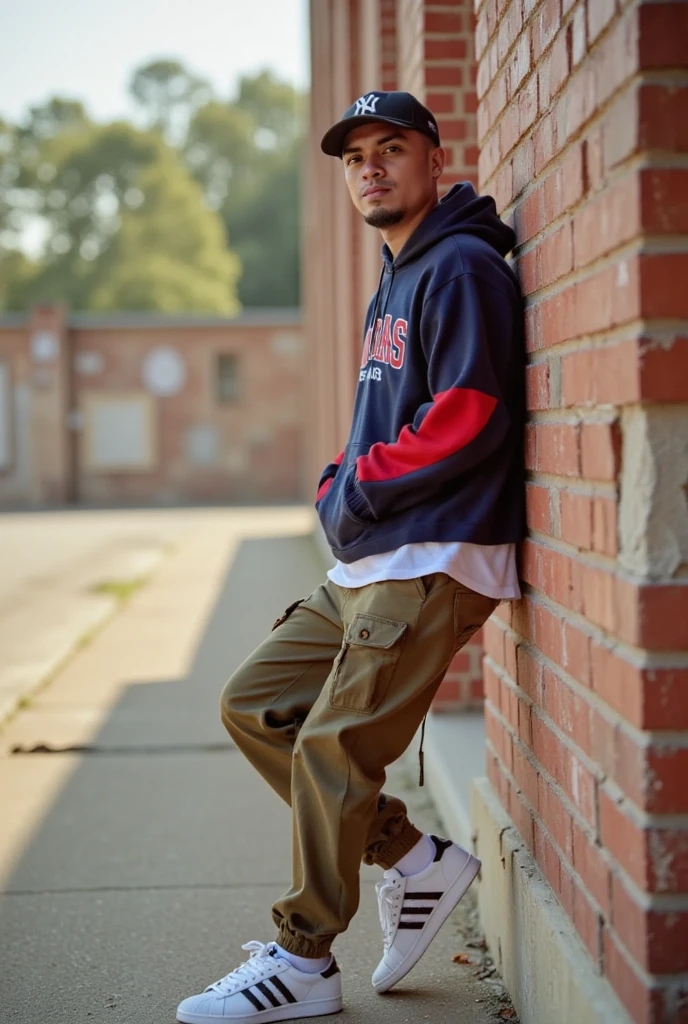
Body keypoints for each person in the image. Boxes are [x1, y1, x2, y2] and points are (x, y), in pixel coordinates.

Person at [177, 90, 525, 1024]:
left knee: (332, 744)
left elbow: (469, 416)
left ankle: (303, 962)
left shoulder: (458, 269)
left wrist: (357, 487)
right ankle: (415, 861)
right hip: (375, 558)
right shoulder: (399, 270)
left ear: (432, 159)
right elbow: (389, 413)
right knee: (256, 705)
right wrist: (343, 475)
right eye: (354, 155)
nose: (370, 166)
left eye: (391, 147)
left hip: (434, 553)